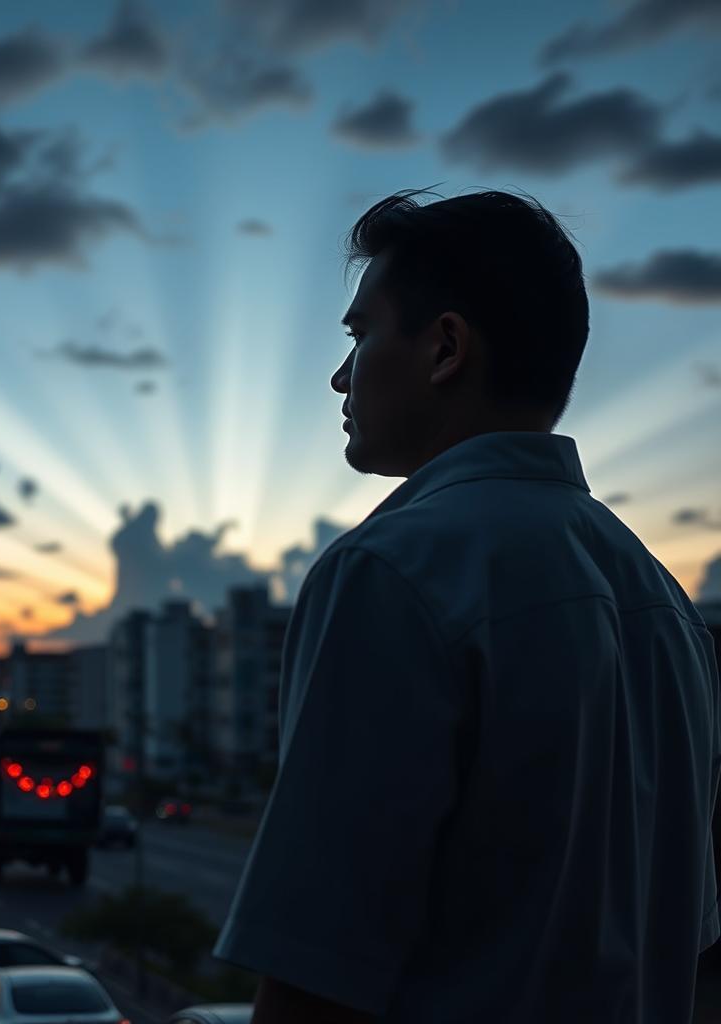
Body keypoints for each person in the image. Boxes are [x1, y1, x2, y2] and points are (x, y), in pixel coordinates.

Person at [213, 187, 721, 1023]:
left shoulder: (393, 571)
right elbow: (680, 942)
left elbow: (314, 974)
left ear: (445, 347)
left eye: (360, 335)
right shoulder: (667, 607)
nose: (340, 376)